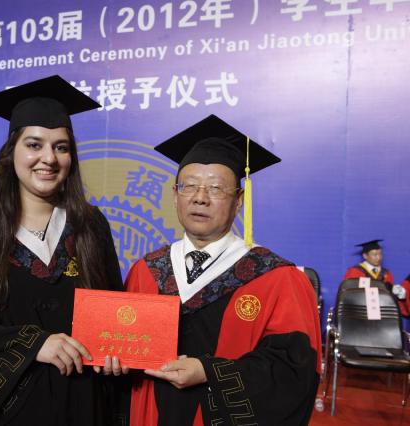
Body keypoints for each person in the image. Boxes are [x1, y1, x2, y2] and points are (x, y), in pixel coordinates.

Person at [0, 75, 126, 425]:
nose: (49, 158)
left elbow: (112, 312)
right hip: (5, 412)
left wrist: (117, 351)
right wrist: (32, 344)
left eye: (61, 147)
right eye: (34, 144)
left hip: (79, 406)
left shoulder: (90, 226)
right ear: (10, 152)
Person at [122, 115, 322, 425]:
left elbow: (293, 372)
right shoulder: (146, 271)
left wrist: (209, 371)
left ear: (239, 200)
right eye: (189, 186)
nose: (200, 198)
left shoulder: (276, 278)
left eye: (215, 188)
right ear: (175, 195)